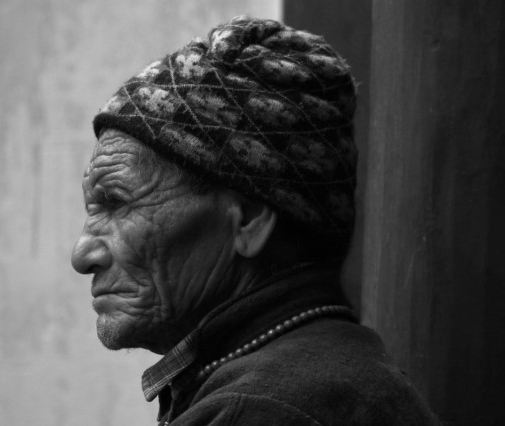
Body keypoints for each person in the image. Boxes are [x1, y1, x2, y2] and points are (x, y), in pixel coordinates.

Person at [72, 16, 439, 426]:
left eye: (117, 203)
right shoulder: (327, 377)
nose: (82, 254)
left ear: (248, 220)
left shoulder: (260, 410)